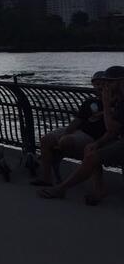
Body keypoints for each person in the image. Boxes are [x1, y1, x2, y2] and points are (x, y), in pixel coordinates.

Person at [38, 65, 124, 205]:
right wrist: (97, 143)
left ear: (121, 81)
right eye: (104, 82)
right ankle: (57, 184)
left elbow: (111, 129)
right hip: (116, 140)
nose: (106, 86)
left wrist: (106, 105)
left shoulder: (119, 103)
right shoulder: (119, 102)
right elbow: (113, 131)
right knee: (91, 152)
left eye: (110, 82)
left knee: (92, 156)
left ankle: (61, 189)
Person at [31, 71, 107, 186]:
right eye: (96, 84)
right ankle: (46, 179)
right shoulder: (89, 102)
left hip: (92, 135)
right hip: (79, 130)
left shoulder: (116, 103)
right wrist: (66, 132)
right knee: (46, 140)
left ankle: (58, 155)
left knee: (66, 141)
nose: (99, 87)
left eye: (102, 84)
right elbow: (78, 120)